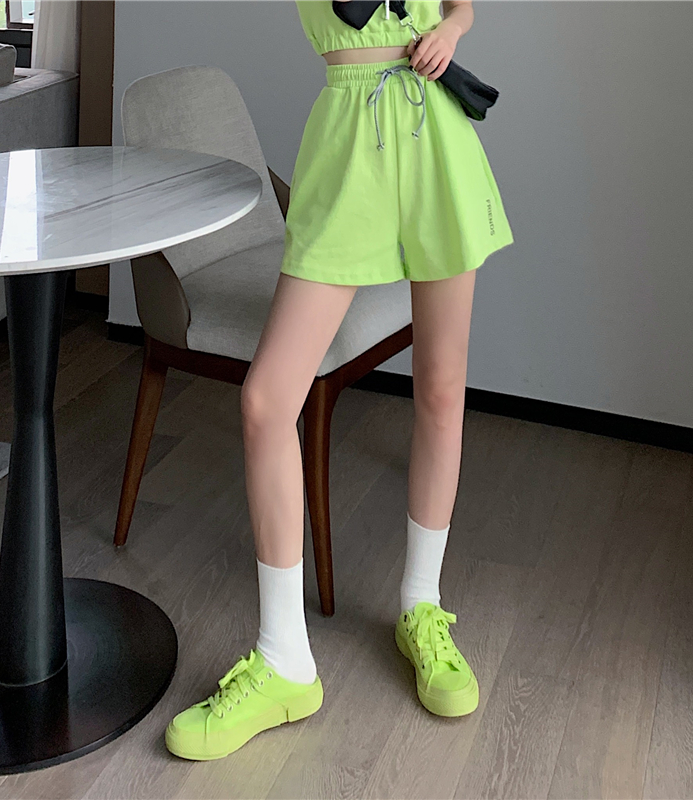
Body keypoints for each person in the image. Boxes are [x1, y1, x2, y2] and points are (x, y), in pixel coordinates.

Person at [164, 0, 514, 761]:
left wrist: (452, 30)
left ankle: (421, 608)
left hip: (435, 135)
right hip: (350, 143)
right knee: (267, 403)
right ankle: (284, 659)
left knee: (442, 389)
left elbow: (461, 4)